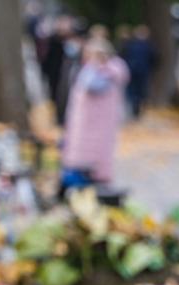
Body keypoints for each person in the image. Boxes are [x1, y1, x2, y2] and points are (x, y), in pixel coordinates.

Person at [61, 35, 129, 191]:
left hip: (93, 128)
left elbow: (90, 85)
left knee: (89, 164)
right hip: (88, 125)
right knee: (87, 162)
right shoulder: (101, 72)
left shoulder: (103, 73)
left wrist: (93, 65)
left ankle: (87, 188)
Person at [121, 25, 156, 117]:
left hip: (133, 70)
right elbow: (154, 59)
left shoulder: (131, 44)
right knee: (140, 90)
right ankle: (136, 108)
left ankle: (134, 107)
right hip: (143, 71)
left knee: (134, 90)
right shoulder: (148, 45)